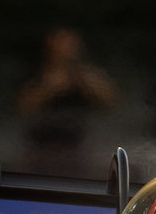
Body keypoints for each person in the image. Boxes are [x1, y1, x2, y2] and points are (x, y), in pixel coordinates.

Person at [18, 28, 118, 176]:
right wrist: (50, 88)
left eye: (71, 44)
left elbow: (112, 105)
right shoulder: (35, 76)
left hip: (81, 150)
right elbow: (22, 111)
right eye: (61, 43)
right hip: (40, 150)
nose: (67, 49)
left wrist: (90, 84)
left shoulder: (87, 77)